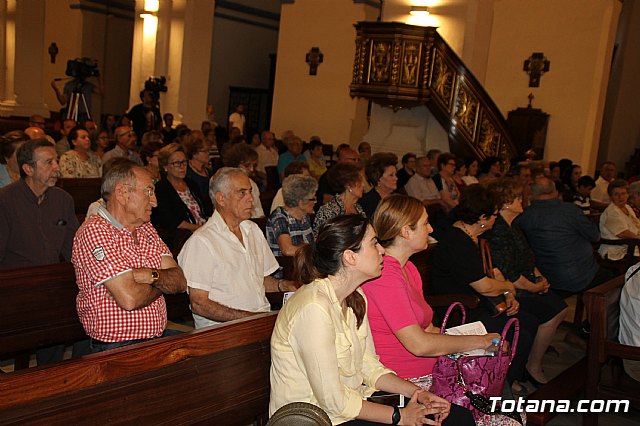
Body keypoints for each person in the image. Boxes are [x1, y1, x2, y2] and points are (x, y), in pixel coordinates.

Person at [270, 214, 460, 426]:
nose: (382, 250)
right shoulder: (313, 308)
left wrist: (417, 393)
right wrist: (400, 417)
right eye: (374, 243)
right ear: (350, 257)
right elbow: (334, 400)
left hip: (350, 408)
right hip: (317, 419)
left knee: (454, 417)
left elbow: (368, 366)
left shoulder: (356, 296)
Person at [364, 194, 514, 426]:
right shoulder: (385, 276)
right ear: (405, 232)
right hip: (406, 379)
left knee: (497, 378)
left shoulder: (408, 268)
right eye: (425, 223)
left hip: (431, 369)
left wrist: (473, 343)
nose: (431, 228)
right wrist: (480, 342)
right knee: (500, 415)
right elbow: (420, 344)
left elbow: (429, 328)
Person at [430, 185, 536, 394]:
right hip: (460, 309)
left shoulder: (474, 237)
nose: (496, 219)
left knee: (528, 321)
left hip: (477, 302)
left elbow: (492, 271)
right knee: (517, 331)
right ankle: (499, 383)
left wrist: (507, 294)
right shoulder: (457, 241)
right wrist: (508, 286)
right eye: (495, 215)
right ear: (483, 218)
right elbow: (485, 286)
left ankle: (507, 375)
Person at [72, 161, 187, 353]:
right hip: (117, 348)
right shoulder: (95, 231)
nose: (155, 202)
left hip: (153, 339)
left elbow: (180, 281)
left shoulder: (146, 229)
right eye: (148, 192)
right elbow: (130, 299)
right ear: (122, 193)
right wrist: (162, 281)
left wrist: (151, 275)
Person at [177, 168, 298, 329]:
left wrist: (284, 285)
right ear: (221, 198)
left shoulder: (252, 230)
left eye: (250, 191)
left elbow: (258, 280)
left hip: (258, 322)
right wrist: (250, 319)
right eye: (242, 193)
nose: (251, 198)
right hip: (224, 332)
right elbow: (199, 304)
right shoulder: (202, 242)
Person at [482, 178, 568, 386]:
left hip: (525, 284)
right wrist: (534, 286)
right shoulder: (498, 231)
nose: (523, 201)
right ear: (506, 203)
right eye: (518, 197)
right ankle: (532, 365)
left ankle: (531, 362)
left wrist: (539, 277)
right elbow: (507, 273)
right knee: (551, 311)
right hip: (513, 290)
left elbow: (528, 258)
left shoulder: (514, 226)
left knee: (559, 307)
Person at [517, 176, 609, 293]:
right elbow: (595, 236)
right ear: (556, 192)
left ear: (531, 193)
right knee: (616, 282)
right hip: (582, 274)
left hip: (548, 275)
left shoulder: (525, 216)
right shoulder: (570, 210)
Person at [0, 138, 78, 269]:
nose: (57, 167)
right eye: (49, 162)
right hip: (14, 280)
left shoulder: (63, 200)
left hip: (52, 277)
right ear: (28, 169)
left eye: (56, 161)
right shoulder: (5, 200)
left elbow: (73, 248)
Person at [152, 143, 207, 247]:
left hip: (203, 229)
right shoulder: (161, 189)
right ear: (165, 167)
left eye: (184, 162)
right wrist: (198, 228)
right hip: (184, 235)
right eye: (177, 163)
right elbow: (171, 221)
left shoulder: (191, 184)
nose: (182, 167)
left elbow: (204, 210)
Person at [266, 174, 317, 257]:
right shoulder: (280, 217)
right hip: (287, 267)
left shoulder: (304, 216)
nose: (315, 202)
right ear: (301, 203)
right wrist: (314, 251)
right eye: (313, 198)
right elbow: (287, 250)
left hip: (304, 264)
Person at [314, 163, 366, 234]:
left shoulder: (358, 208)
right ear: (348, 186)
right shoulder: (328, 211)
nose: (363, 185)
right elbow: (321, 239)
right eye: (360, 181)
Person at [598, 179, 640, 261]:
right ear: (611, 196)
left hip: (631, 245)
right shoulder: (611, 212)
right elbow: (623, 233)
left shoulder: (627, 207)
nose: (621, 197)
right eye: (616, 194)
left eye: (623, 193)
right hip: (616, 250)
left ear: (628, 195)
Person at [224, 143, 265, 218]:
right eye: (247, 166)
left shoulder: (253, 184)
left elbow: (259, 211)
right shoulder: (225, 184)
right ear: (235, 165)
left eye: (254, 166)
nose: (252, 169)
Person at [359, 152, 398, 217]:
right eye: (391, 175)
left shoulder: (398, 198)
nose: (396, 178)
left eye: (395, 174)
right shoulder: (368, 201)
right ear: (378, 178)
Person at [183, 131, 213, 216]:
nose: (208, 154)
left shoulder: (208, 171)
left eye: (208, 150)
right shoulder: (187, 172)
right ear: (194, 153)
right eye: (205, 151)